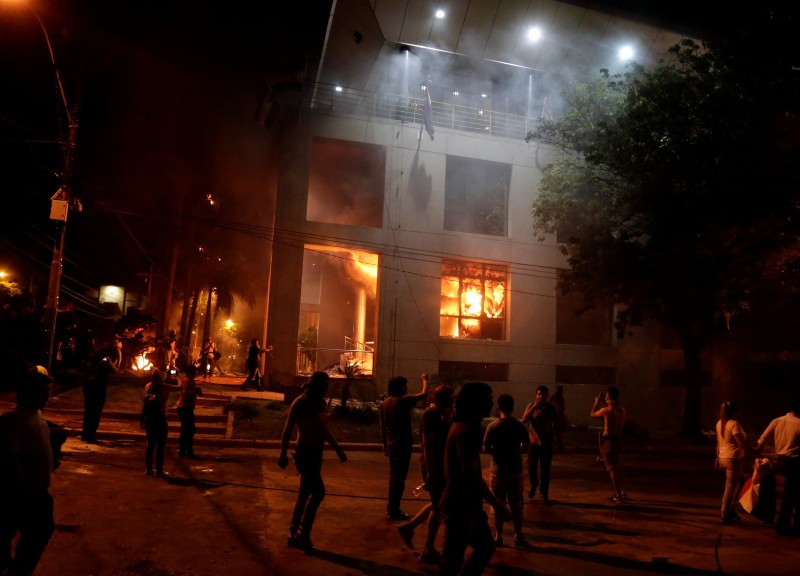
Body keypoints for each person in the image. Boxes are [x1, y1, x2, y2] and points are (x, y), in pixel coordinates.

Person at [439, 381, 512, 576]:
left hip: (467, 505)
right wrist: (496, 503)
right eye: (488, 399)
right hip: (460, 506)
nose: (491, 404)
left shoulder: (462, 426)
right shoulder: (466, 432)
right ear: (476, 402)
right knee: (452, 561)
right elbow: (471, 476)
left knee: (485, 548)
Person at [277, 371, 347, 550]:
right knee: (319, 492)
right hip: (304, 453)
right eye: (323, 386)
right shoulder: (300, 402)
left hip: (316, 453)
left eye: (326, 386)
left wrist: (337, 449)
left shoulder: (320, 403)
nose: (325, 389)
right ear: (314, 385)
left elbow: (323, 429)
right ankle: (303, 533)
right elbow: (288, 429)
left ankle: (293, 533)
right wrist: (283, 453)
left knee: (304, 494)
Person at [0, 365, 58, 575]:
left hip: (37, 491)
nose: (47, 397)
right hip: (24, 494)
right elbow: (9, 458)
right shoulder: (13, 420)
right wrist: (24, 487)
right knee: (31, 533)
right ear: (28, 393)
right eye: (43, 392)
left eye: (47, 392)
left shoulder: (37, 418)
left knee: (37, 533)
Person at [396, 384, 455, 564]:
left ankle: (410, 528)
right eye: (451, 398)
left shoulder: (443, 414)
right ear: (443, 399)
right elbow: (426, 444)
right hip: (434, 467)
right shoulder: (431, 415)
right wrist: (430, 471)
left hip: (440, 467)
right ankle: (427, 549)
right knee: (439, 506)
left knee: (439, 503)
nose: (453, 400)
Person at [380, 372, 430, 520]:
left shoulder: (385, 403)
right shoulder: (403, 400)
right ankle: (394, 509)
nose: (407, 388)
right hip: (402, 444)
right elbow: (423, 394)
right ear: (401, 388)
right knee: (399, 478)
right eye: (405, 385)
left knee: (394, 476)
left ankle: (392, 507)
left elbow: (383, 426)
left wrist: (384, 445)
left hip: (391, 443)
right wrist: (424, 380)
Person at [483, 393, 530, 547]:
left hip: (498, 471)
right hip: (515, 470)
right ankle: (518, 535)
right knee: (516, 503)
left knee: (498, 504)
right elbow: (526, 445)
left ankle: (499, 537)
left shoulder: (493, 426)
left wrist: (497, 451)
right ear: (513, 407)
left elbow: (485, 447)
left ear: (498, 407)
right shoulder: (519, 426)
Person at [755, 397, 800, 536]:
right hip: (795, 462)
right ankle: (784, 525)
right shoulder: (799, 423)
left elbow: (762, 438)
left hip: (781, 461)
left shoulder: (777, 421)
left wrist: (757, 453)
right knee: (791, 494)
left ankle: (785, 524)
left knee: (790, 492)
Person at [521, 385, 561, 503]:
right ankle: (534, 484)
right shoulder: (531, 406)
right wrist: (534, 407)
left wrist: (558, 442)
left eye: (543, 394)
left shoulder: (550, 408)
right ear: (536, 395)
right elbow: (524, 419)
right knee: (531, 467)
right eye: (539, 394)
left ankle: (544, 493)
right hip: (533, 443)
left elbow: (556, 424)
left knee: (545, 470)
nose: (541, 396)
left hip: (546, 444)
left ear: (547, 395)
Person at [590, 386, 627, 503]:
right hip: (618, 440)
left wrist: (596, 403)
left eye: (606, 396)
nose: (604, 398)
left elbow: (592, 414)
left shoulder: (606, 410)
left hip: (609, 441)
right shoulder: (622, 410)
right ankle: (622, 491)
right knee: (616, 467)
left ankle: (618, 495)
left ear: (609, 397)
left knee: (611, 469)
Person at [141, 370, 180, 478]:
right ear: (161, 378)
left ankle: (148, 469)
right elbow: (179, 387)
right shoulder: (165, 387)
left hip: (149, 419)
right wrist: (178, 376)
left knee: (150, 444)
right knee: (161, 445)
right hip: (160, 419)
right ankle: (159, 470)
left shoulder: (148, 386)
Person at [715, 401, 746, 523]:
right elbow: (741, 443)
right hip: (732, 458)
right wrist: (755, 451)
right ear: (734, 411)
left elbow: (718, 442)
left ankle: (731, 508)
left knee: (741, 480)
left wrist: (718, 458)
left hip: (723, 457)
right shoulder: (734, 424)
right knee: (730, 487)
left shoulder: (720, 423)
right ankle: (725, 512)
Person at [81, 352, 118, 444]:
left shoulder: (91, 365)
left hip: (88, 388)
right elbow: (115, 370)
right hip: (98, 390)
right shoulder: (103, 367)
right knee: (95, 414)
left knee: (88, 412)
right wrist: (110, 362)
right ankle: (91, 436)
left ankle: (85, 434)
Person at [176, 364, 203, 458]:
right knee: (187, 430)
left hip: (188, 408)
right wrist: (195, 392)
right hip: (184, 408)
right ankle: (185, 451)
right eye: (194, 372)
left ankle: (186, 451)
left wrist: (197, 390)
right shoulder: (186, 380)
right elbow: (183, 392)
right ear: (189, 373)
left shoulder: (191, 381)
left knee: (189, 430)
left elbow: (190, 390)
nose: (195, 374)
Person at [550, 384, 567, 449]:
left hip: (555, 416)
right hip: (555, 416)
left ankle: (558, 446)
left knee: (555, 432)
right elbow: (561, 407)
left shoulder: (556, 397)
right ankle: (558, 447)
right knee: (556, 432)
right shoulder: (557, 397)